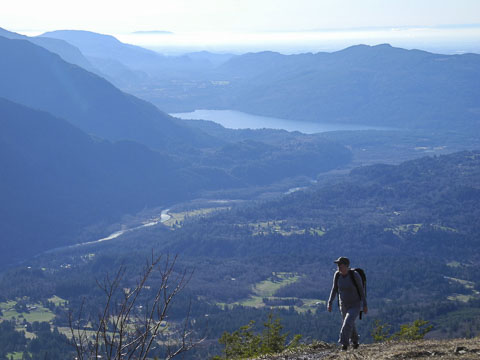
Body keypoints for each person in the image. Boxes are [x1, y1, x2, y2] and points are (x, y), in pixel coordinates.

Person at [327, 256, 368, 351]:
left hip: (355, 305)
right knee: (350, 324)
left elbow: (361, 291)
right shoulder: (337, 275)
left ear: (346, 265)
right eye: (337, 265)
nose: (338, 267)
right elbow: (334, 289)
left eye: (340, 265)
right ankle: (355, 342)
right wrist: (329, 302)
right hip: (343, 305)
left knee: (348, 322)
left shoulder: (355, 275)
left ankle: (344, 345)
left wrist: (365, 305)